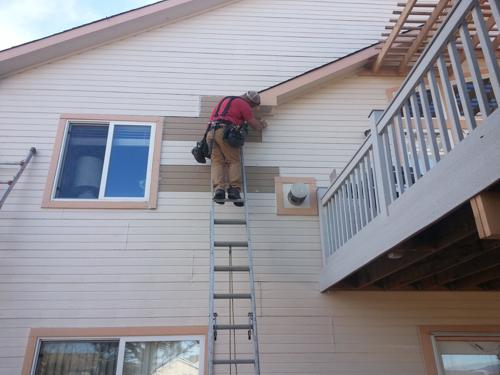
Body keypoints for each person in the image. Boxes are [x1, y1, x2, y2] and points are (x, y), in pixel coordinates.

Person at [206, 91, 267, 206]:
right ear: (250, 101)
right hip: (225, 132)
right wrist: (262, 124)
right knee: (233, 160)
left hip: (211, 133)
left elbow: (210, 120)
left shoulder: (224, 100)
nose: (251, 108)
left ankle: (219, 189)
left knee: (217, 162)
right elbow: (254, 124)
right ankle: (234, 189)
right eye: (253, 105)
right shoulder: (243, 104)